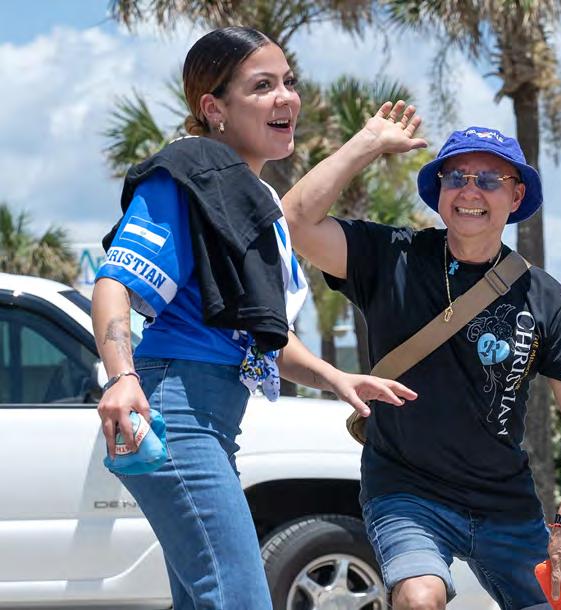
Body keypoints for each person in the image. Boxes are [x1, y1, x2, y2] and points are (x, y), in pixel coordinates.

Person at [92, 28, 416, 610]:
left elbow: (261, 337)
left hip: (207, 419)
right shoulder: (187, 172)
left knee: (210, 600)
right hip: (175, 414)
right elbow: (114, 282)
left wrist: (335, 377)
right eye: (262, 86)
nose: (285, 97)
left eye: (289, 82)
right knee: (239, 598)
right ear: (213, 108)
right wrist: (121, 377)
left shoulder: (247, 196)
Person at [284, 105, 561, 610]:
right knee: (420, 598)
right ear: (439, 191)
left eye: (489, 180)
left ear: (515, 196)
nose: (470, 191)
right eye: (456, 177)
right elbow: (293, 221)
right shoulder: (390, 257)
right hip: (407, 492)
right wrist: (367, 143)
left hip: (505, 502)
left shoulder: (544, 297)